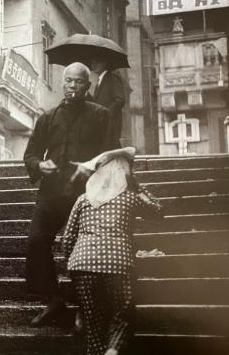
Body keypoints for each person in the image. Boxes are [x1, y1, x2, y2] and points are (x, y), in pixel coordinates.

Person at [23, 62, 118, 327]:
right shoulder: (48, 117)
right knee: (36, 242)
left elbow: (111, 153)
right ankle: (52, 299)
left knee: (83, 251)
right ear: (62, 83)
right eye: (68, 81)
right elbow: (30, 154)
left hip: (85, 195)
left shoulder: (101, 115)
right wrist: (40, 165)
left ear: (88, 86)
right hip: (51, 193)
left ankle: (85, 307)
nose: (72, 87)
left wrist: (93, 169)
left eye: (78, 82)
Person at [63, 147, 163, 355]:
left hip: (83, 265)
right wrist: (137, 187)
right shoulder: (129, 198)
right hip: (119, 264)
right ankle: (114, 349)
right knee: (122, 314)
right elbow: (158, 212)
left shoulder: (83, 200)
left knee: (94, 323)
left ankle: (99, 350)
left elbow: (68, 238)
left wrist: (74, 262)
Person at [88, 58, 126, 143]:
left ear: (105, 63)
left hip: (110, 125)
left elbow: (119, 100)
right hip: (103, 126)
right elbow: (97, 104)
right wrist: (87, 96)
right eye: (92, 62)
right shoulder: (100, 80)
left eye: (97, 61)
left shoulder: (113, 78)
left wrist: (106, 114)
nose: (94, 64)